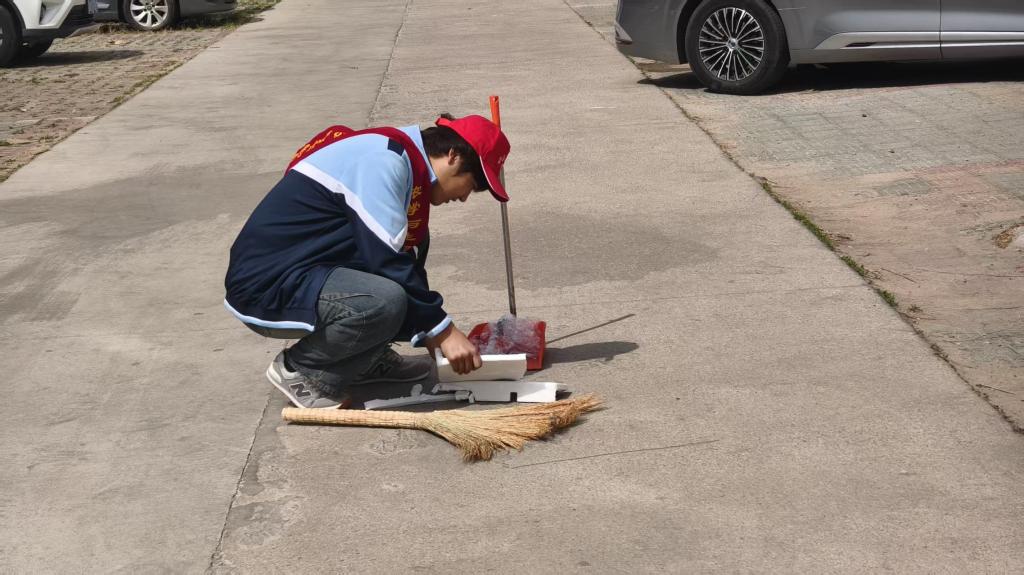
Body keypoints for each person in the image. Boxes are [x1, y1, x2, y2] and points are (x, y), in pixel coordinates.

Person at [224, 114, 511, 408]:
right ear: (453, 156)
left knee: (409, 265)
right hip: (266, 284)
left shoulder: (400, 156)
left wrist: (429, 331)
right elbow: (387, 261)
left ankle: (363, 360)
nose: (464, 198)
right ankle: (302, 369)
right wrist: (442, 331)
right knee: (385, 299)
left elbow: (398, 260)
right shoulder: (384, 161)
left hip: (302, 270)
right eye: (472, 184)